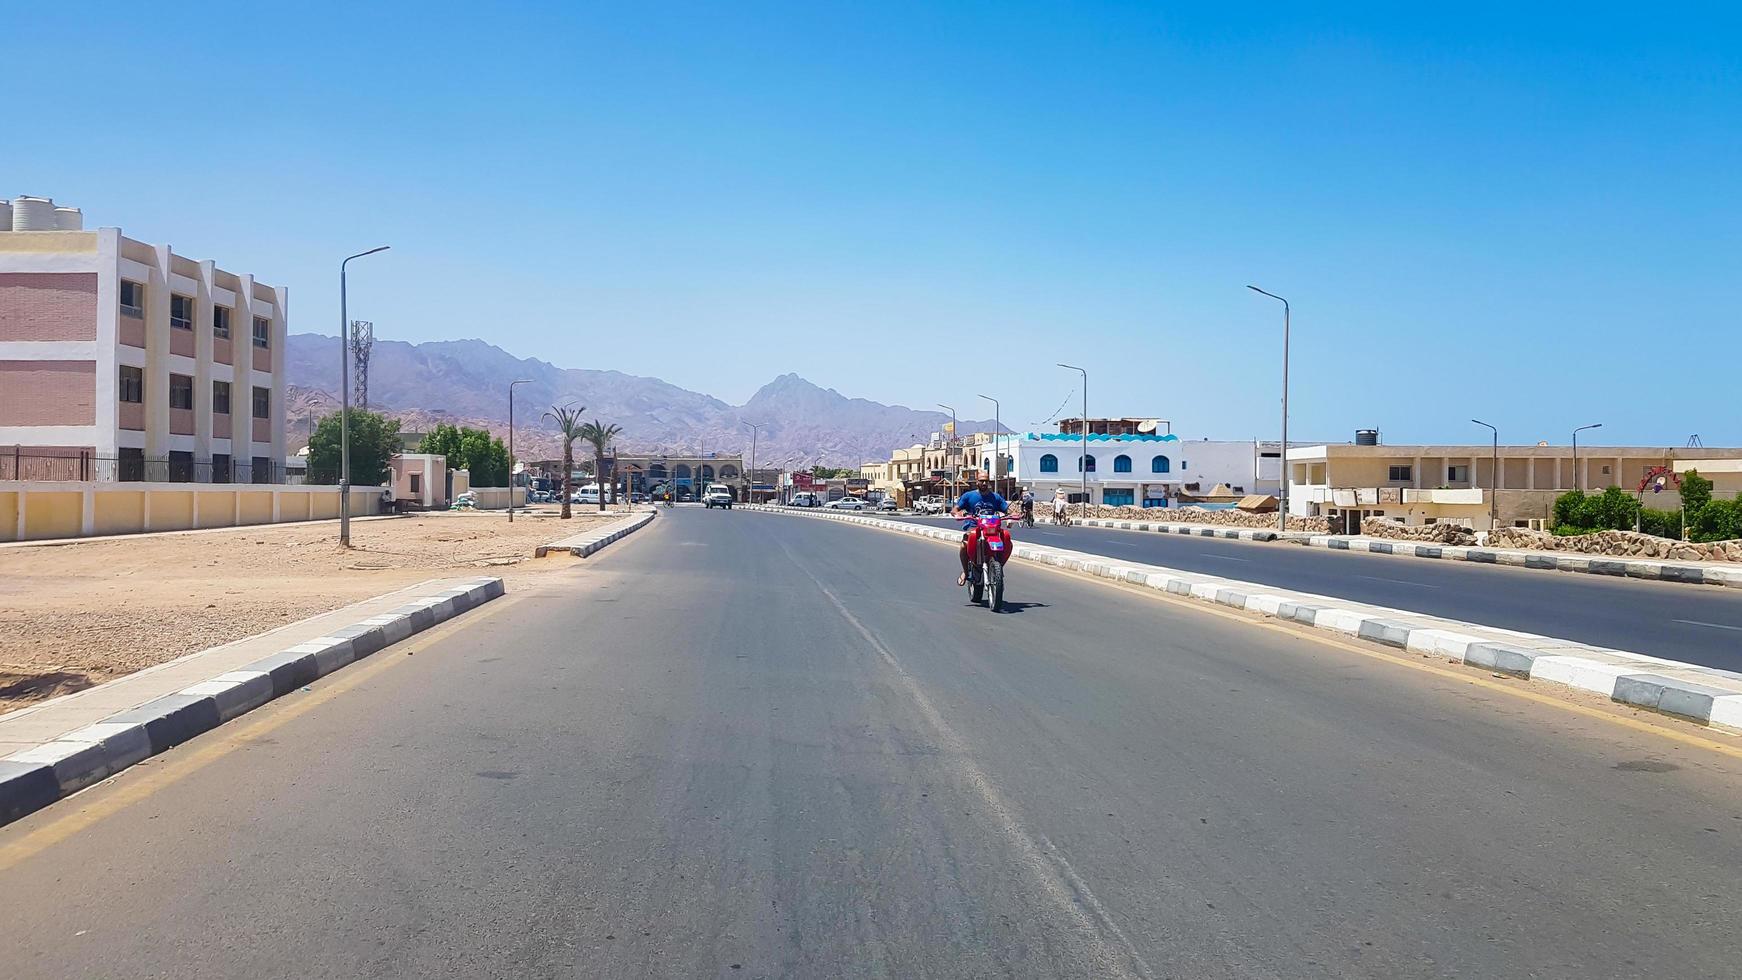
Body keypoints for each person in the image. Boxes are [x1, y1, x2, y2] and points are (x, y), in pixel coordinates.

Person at [952, 476, 1010, 586]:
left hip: (992, 528)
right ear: (977, 482)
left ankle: (999, 566)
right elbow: (956, 508)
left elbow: (1007, 509)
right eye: (981, 481)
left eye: (986, 481)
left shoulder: (995, 497)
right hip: (974, 526)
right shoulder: (969, 496)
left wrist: (1012, 516)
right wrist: (957, 513)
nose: (984, 483)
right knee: (965, 545)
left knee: (1006, 536)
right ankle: (965, 571)